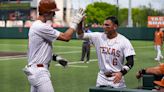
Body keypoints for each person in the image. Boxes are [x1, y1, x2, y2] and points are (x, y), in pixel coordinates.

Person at [22, 0, 85, 92]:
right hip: (40, 72)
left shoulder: (35, 26)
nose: (54, 14)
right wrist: (75, 22)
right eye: (53, 11)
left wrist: (56, 58)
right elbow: (66, 37)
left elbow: (36, 51)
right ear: (47, 12)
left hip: (34, 70)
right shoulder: (41, 26)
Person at [77, 16, 135, 88]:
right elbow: (80, 35)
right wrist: (80, 23)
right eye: (103, 25)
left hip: (117, 78)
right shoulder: (98, 37)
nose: (104, 27)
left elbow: (130, 61)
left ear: (115, 26)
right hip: (102, 77)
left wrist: (121, 73)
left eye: (107, 25)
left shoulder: (124, 41)